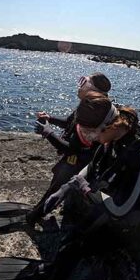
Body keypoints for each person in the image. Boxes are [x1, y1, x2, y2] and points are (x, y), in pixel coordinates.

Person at [0, 93, 140, 280]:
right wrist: (66, 187)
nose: (88, 138)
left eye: (89, 133)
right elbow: (92, 167)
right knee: (76, 225)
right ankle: (56, 265)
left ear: (108, 126)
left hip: (132, 217)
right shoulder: (111, 137)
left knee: (78, 241)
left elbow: (121, 209)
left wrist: (83, 188)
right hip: (112, 198)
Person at [28, 72, 112, 225]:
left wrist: (47, 132)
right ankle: (43, 208)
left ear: (92, 89)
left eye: (83, 83)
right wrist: (50, 119)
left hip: (82, 160)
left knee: (58, 185)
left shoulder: (94, 110)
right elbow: (69, 122)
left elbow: (71, 149)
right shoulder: (92, 104)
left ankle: (35, 215)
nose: (79, 87)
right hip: (79, 155)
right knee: (58, 180)